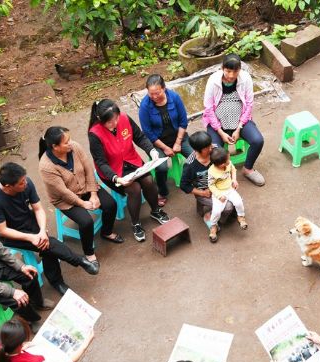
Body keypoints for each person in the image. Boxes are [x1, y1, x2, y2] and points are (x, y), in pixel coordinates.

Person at [0, 161, 100, 296]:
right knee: (47, 245)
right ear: (8, 186)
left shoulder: (26, 183)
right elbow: (3, 230)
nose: (26, 183)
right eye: (21, 183)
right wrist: (32, 237)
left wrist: (41, 230)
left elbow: (38, 208)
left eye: (24, 179)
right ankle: (78, 261)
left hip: (29, 223)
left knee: (46, 244)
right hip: (10, 234)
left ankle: (58, 280)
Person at [38, 126, 122, 269]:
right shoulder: (46, 166)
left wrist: (94, 193)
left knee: (110, 204)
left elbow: (89, 169)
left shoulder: (74, 147)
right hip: (65, 199)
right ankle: (89, 253)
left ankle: (106, 232)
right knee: (86, 221)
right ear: (55, 147)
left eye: (69, 139)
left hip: (86, 187)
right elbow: (63, 192)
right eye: (66, 142)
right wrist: (82, 204)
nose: (70, 143)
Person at [88, 99, 170, 242]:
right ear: (101, 120)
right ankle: (136, 223)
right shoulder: (94, 134)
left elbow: (140, 137)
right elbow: (100, 162)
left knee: (149, 181)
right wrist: (116, 178)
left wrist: (151, 151)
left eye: (116, 119)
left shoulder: (125, 118)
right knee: (134, 189)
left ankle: (156, 211)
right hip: (112, 171)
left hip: (132, 161)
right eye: (110, 122)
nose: (114, 124)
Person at [203, 54, 265, 187]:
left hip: (240, 121)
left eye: (235, 71)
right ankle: (223, 176)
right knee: (214, 151)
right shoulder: (213, 81)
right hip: (217, 124)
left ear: (240, 70)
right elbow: (208, 108)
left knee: (258, 140)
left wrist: (239, 128)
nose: (231, 75)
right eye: (228, 71)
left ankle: (248, 169)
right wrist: (220, 132)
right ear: (222, 68)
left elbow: (249, 104)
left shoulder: (246, 78)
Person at [139, 74, 194, 206]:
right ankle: (162, 191)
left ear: (164, 88)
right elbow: (148, 133)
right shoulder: (145, 105)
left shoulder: (174, 97)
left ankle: (193, 180)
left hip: (178, 137)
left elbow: (183, 122)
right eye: (150, 94)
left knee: (195, 156)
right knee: (162, 167)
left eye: (157, 93)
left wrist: (177, 142)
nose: (154, 97)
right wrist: (165, 148)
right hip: (157, 142)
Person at [180, 130, 234, 225]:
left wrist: (232, 179)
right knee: (228, 207)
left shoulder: (215, 150)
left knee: (236, 202)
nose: (211, 147)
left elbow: (228, 164)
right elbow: (184, 185)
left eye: (210, 144)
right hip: (205, 191)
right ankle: (210, 216)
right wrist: (202, 193)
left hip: (221, 185)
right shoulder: (190, 164)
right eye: (207, 147)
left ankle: (219, 215)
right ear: (197, 150)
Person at [207, 147, 248, 242]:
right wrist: (219, 195)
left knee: (238, 202)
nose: (229, 161)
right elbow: (211, 185)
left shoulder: (228, 164)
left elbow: (233, 170)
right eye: (228, 159)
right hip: (219, 193)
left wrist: (234, 179)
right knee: (217, 211)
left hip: (230, 189)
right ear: (221, 165)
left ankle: (240, 216)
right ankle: (213, 226)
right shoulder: (212, 172)